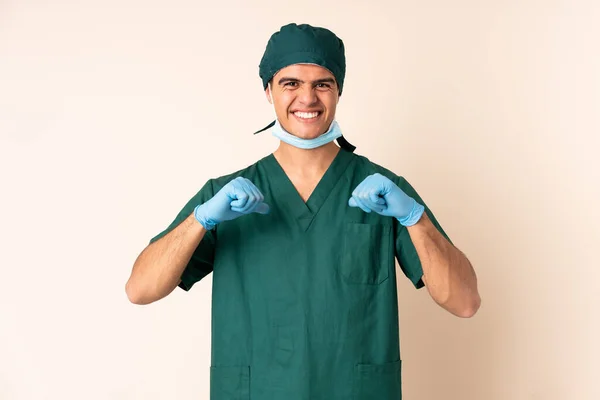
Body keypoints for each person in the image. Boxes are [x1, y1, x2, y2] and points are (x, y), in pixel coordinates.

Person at [125, 22, 480, 400]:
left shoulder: (384, 193)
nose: (307, 98)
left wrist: (414, 217)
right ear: (268, 91)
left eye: (322, 84)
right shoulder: (225, 198)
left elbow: (465, 302)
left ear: (338, 90)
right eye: (291, 83)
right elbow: (140, 290)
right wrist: (201, 219)